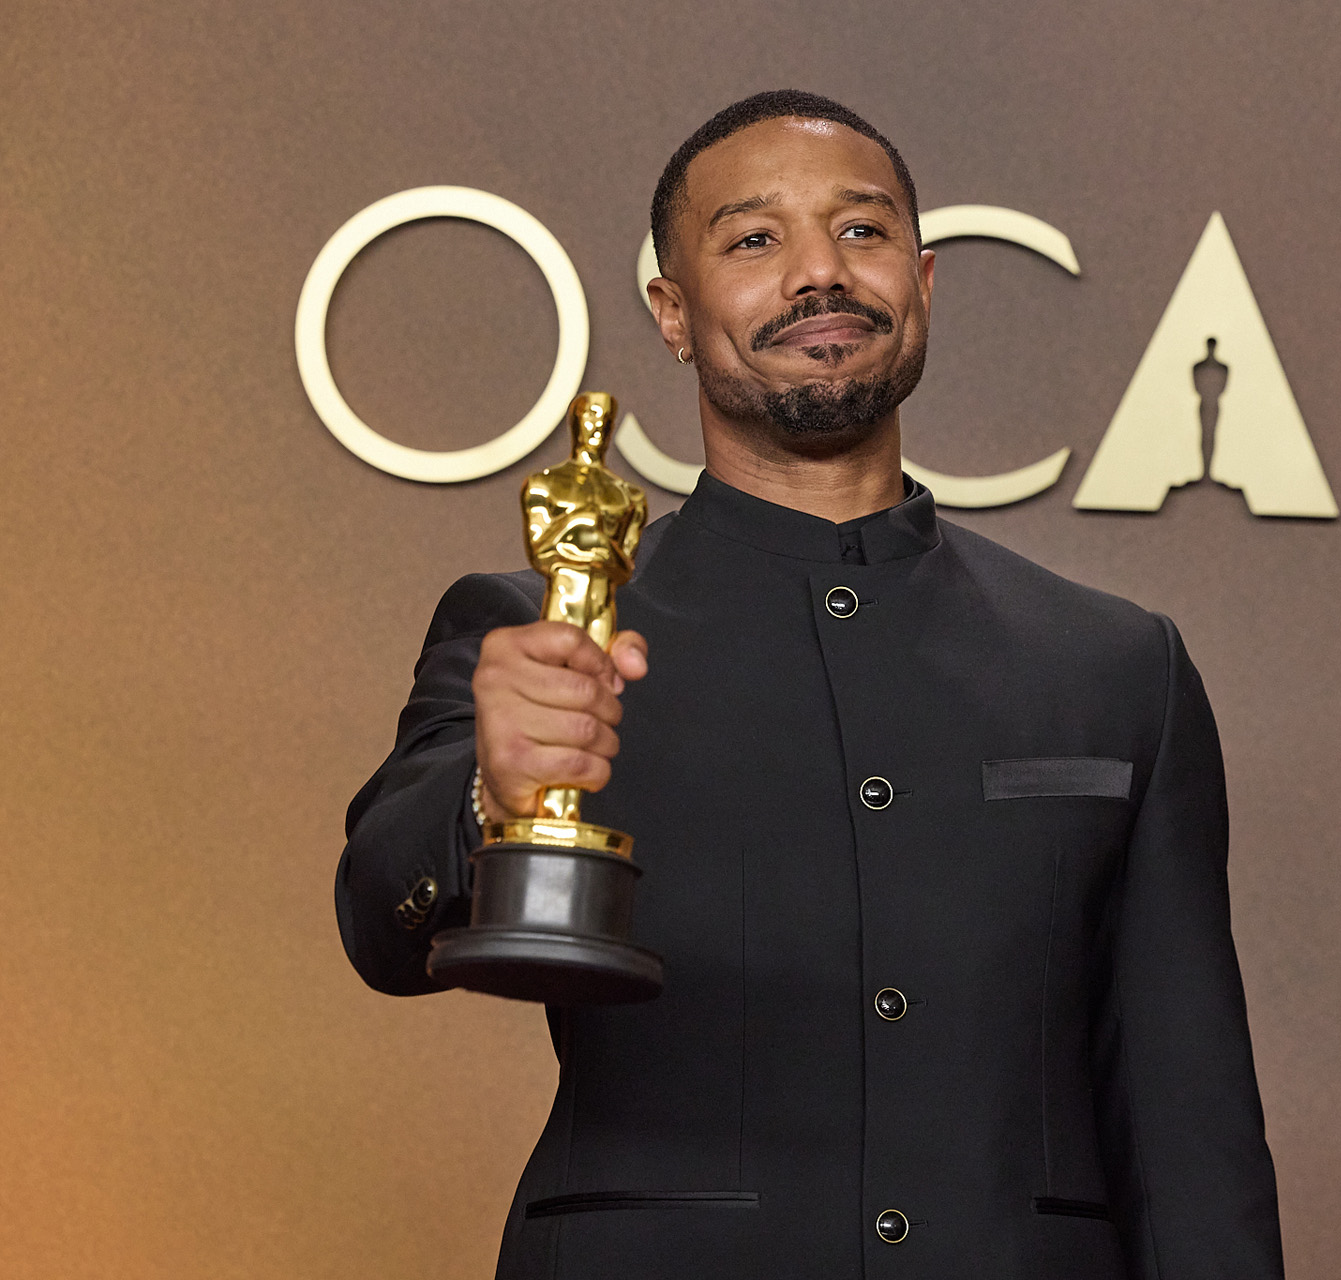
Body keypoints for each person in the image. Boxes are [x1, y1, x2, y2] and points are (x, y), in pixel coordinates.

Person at [336, 89, 1285, 1280]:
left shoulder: (1115, 664)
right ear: (672, 314)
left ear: (924, 284)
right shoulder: (538, 627)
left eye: (864, 231)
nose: (818, 274)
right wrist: (492, 788)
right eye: (753, 240)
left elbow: (1187, 1127)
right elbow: (379, 919)